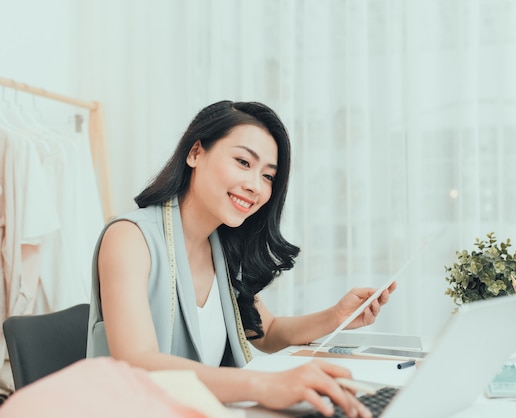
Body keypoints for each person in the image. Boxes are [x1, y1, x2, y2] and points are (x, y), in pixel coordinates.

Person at [86, 100, 396, 418]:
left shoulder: (222, 249)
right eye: (244, 162)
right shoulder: (130, 238)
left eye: (268, 177)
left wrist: (336, 316)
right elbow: (138, 364)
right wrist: (265, 384)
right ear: (195, 153)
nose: (255, 186)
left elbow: (267, 331)